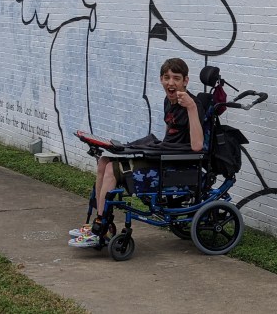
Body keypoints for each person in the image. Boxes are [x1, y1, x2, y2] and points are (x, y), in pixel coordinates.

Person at [68, 57, 205, 247]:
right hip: (164, 155)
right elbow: (170, 133)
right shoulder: (169, 101)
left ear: (186, 81)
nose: (171, 82)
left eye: (176, 78)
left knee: (112, 170)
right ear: (161, 79)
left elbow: (198, 145)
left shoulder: (193, 105)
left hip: (176, 163)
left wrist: (190, 107)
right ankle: (99, 223)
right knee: (104, 161)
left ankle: (102, 228)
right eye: (166, 77)